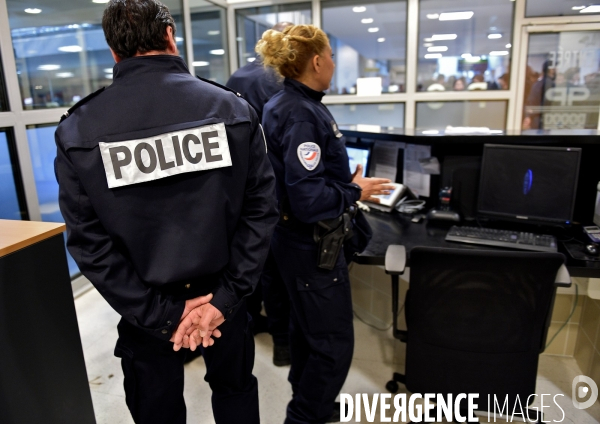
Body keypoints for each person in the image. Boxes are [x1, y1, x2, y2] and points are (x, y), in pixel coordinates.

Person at [54, 1, 278, 423]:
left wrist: (165, 315)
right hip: (222, 298)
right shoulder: (232, 110)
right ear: (171, 35)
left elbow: (89, 244)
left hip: (146, 310)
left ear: (113, 50)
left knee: (156, 411)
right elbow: (260, 212)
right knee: (235, 394)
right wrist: (224, 301)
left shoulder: (79, 130)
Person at [257, 24, 393, 424]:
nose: (333, 62)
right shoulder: (302, 114)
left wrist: (343, 184)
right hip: (310, 245)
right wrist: (356, 193)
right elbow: (307, 200)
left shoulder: (285, 103)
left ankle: (311, 403)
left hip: (288, 242)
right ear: (317, 61)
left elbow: (297, 180)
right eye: (330, 54)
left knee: (306, 332)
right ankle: (304, 416)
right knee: (333, 347)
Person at [226, 21, 294, 367]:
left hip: (239, 185)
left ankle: (249, 324)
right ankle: (283, 343)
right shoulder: (281, 78)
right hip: (276, 185)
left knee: (249, 258)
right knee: (276, 269)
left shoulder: (237, 76)